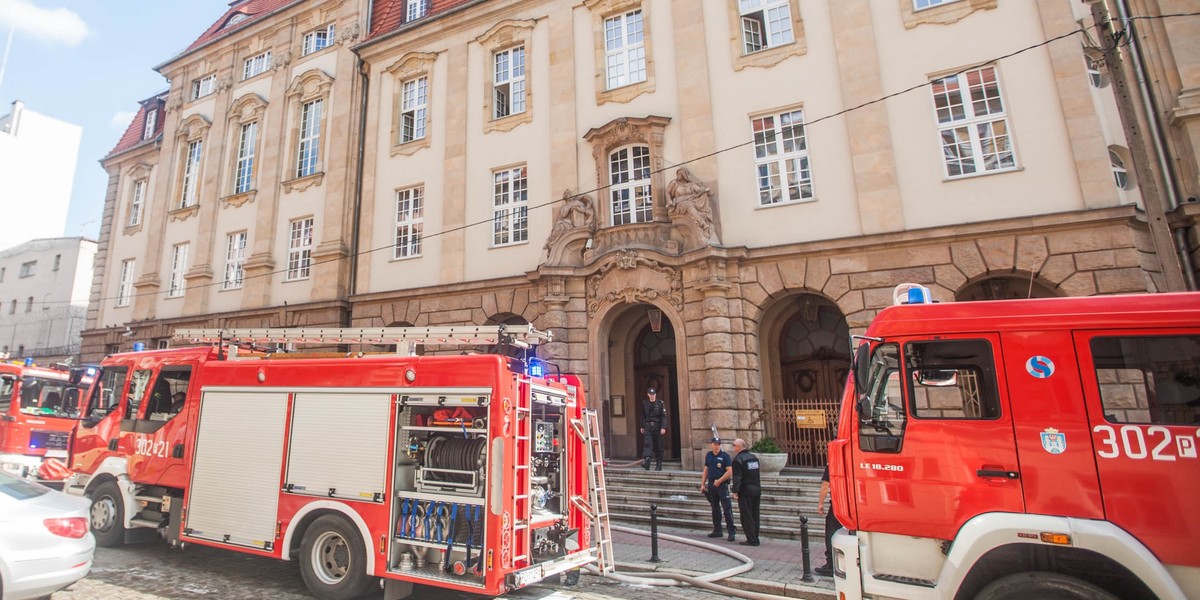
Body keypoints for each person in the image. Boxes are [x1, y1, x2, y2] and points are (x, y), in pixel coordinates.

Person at [700, 437, 736, 541]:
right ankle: (717, 530)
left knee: (727, 509)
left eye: (718, 444)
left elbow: (729, 471)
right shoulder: (709, 455)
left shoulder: (725, 457)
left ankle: (731, 531)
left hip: (722, 485)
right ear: (711, 445)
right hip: (711, 484)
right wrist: (703, 484)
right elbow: (706, 470)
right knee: (715, 508)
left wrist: (719, 481)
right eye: (715, 444)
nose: (717, 446)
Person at [730, 438, 761, 546]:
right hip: (756, 489)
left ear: (739, 446)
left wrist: (735, 490)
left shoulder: (738, 459)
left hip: (746, 491)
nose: (733, 447)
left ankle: (751, 539)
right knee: (755, 514)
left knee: (746, 515)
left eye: (734, 445)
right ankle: (755, 536)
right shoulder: (753, 458)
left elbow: (737, 477)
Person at [814, 464, 843, 576]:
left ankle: (831, 565)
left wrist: (820, 503)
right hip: (850, 505)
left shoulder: (833, 465)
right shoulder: (851, 461)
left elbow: (826, 485)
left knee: (831, 534)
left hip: (837, 506)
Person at [639, 386, 666, 471]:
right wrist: (642, 426)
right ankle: (647, 461)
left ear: (655, 394)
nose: (652, 396)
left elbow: (664, 417)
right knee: (647, 444)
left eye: (653, 394)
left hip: (657, 427)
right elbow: (643, 416)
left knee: (659, 446)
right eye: (651, 394)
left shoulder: (660, 403)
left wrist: (663, 427)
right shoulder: (645, 403)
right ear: (648, 395)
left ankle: (659, 464)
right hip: (648, 427)